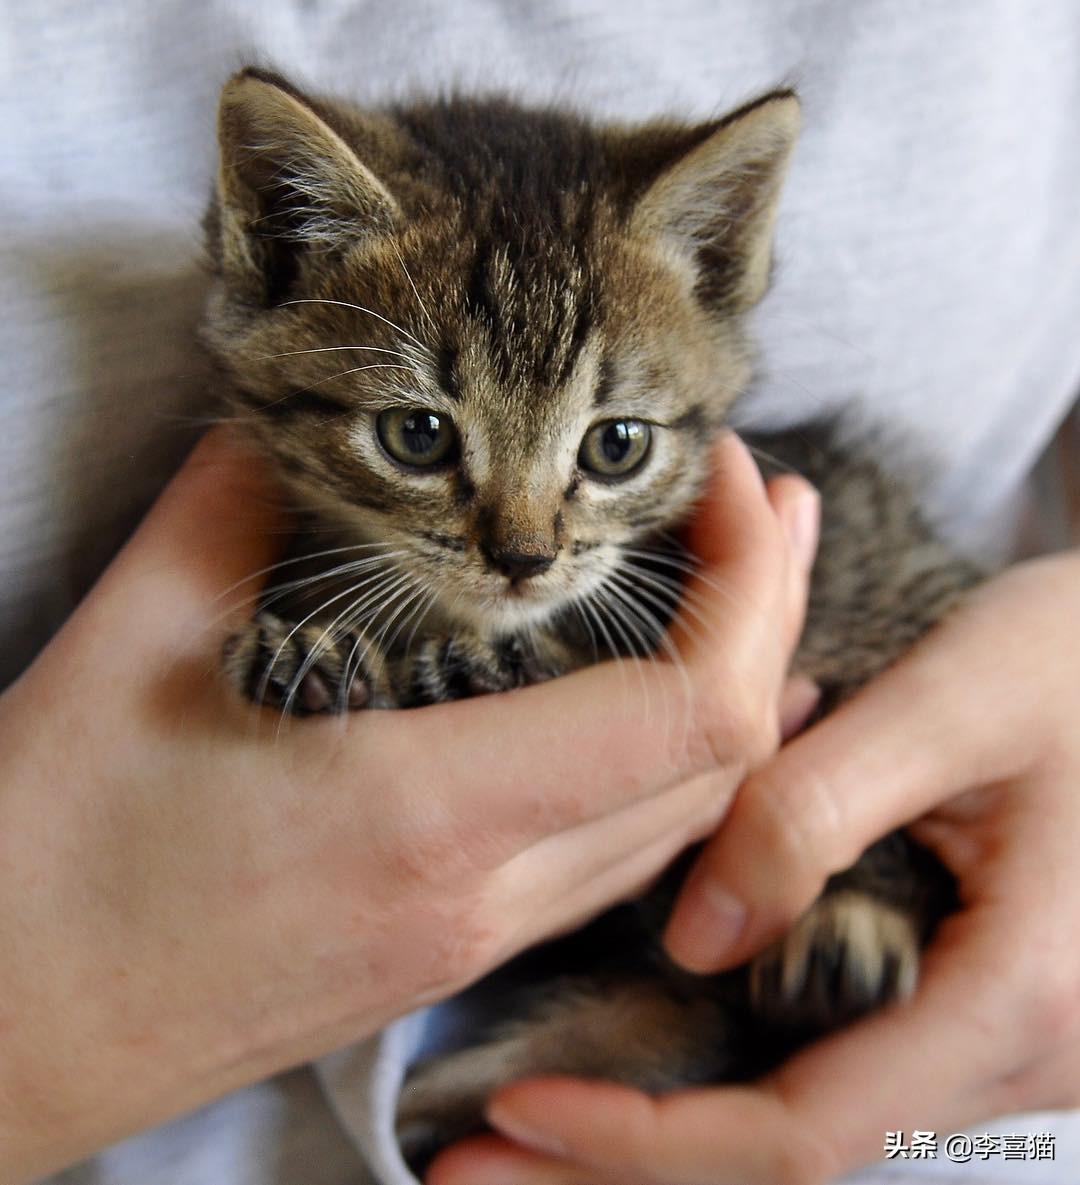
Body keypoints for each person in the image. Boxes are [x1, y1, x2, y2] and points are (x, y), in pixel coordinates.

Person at [2, 2, 1078, 1184]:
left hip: (977, 1120)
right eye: (421, 434)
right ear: (283, 255)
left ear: (719, 267)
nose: (523, 543)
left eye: (610, 449)